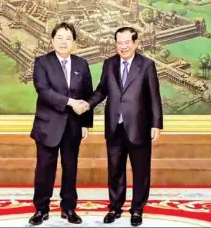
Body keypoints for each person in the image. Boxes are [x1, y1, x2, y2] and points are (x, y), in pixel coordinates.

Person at [82, 27, 163, 226]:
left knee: (141, 171)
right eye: (119, 43)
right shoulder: (109, 64)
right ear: (115, 43)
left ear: (135, 43)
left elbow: (154, 97)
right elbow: (101, 91)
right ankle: (115, 208)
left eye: (127, 42)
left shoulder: (147, 65)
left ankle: (137, 210)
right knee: (115, 170)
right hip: (114, 127)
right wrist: (86, 104)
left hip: (139, 127)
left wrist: (156, 124)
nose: (123, 46)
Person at [28, 22, 93, 225]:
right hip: (48, 125)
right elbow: (43, 91)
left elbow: (87, 95)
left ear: (73, 42)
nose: (64, 42)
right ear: (52, 40)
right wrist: (70, 102)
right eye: (60, 38)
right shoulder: (42, 62)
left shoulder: (82, 64)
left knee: (70, 167)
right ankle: (41, 209)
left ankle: (69, 208)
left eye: (68, 38)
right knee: (45, 169)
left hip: (73, 126)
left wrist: (85, 124)